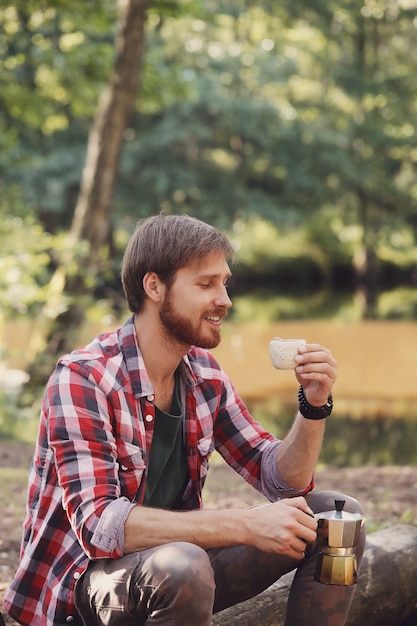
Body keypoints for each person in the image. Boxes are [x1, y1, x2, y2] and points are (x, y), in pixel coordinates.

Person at [4, 214, 365, 626]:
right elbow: (98, 526)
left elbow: (283, 481)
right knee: (183, 564)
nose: (225, 299)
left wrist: (313, 406)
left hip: (175, 567)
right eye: (206, 283)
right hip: (82, 587)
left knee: (336, 520)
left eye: (224, 282)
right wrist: (245, 525)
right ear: (154, 286)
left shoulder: (204, 374)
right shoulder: (84, 379)